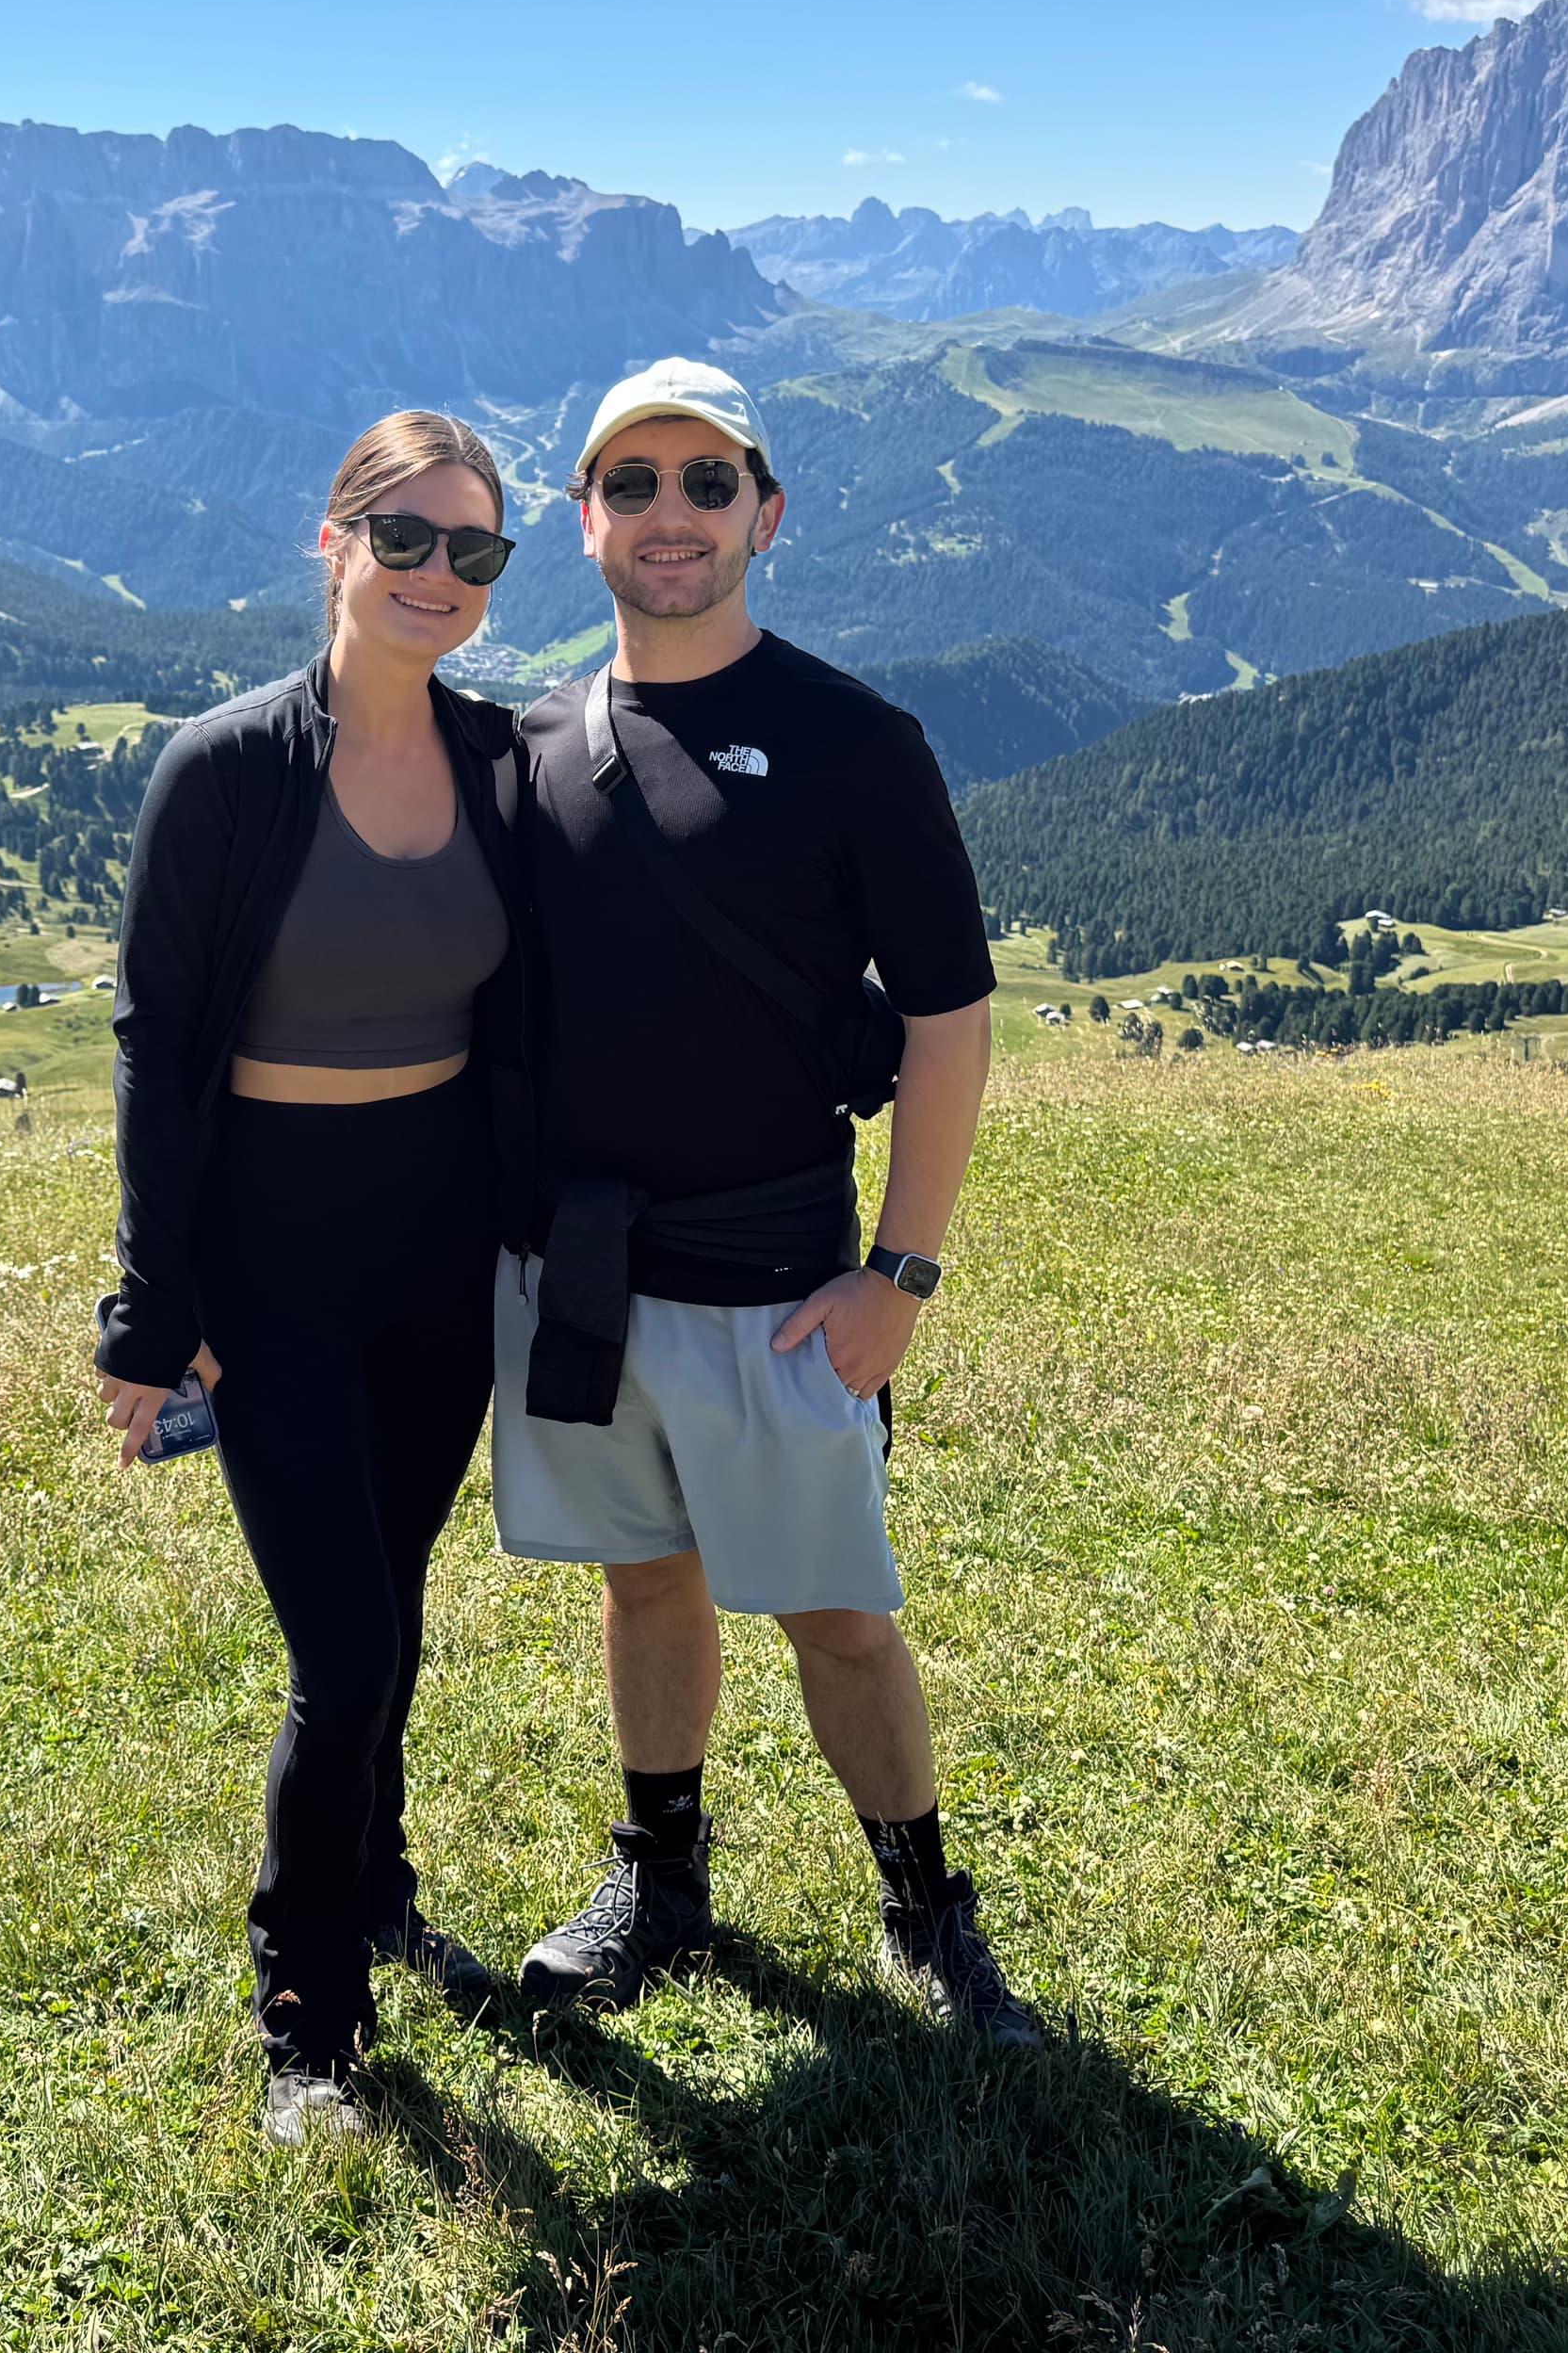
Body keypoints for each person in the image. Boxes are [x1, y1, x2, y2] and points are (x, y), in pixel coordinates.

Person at [492, 357, 1040, 2043]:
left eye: (707, 483)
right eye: (633, 484)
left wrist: (903, 1274)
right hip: (583, 1278)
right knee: (640, 1579)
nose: (672, 515)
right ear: (585, 521)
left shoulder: (859, 747)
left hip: (784, 1282)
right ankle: (659, 1885)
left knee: (840, 1616)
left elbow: (949, 1023)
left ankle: (926, 1911)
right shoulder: (533, 750)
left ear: (767, 513)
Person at [92, 411, 536, 2146]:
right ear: (333, 544)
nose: (438, 574)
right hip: (269, 1253)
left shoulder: (501, 761)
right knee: (342, 1653)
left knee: (392, 1601)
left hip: (440, 1249)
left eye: (473, 551)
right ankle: (309, 2015)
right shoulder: (225, 771)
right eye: (404, 538)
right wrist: (154, 1312)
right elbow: (157, 1046)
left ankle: (378, 1883)